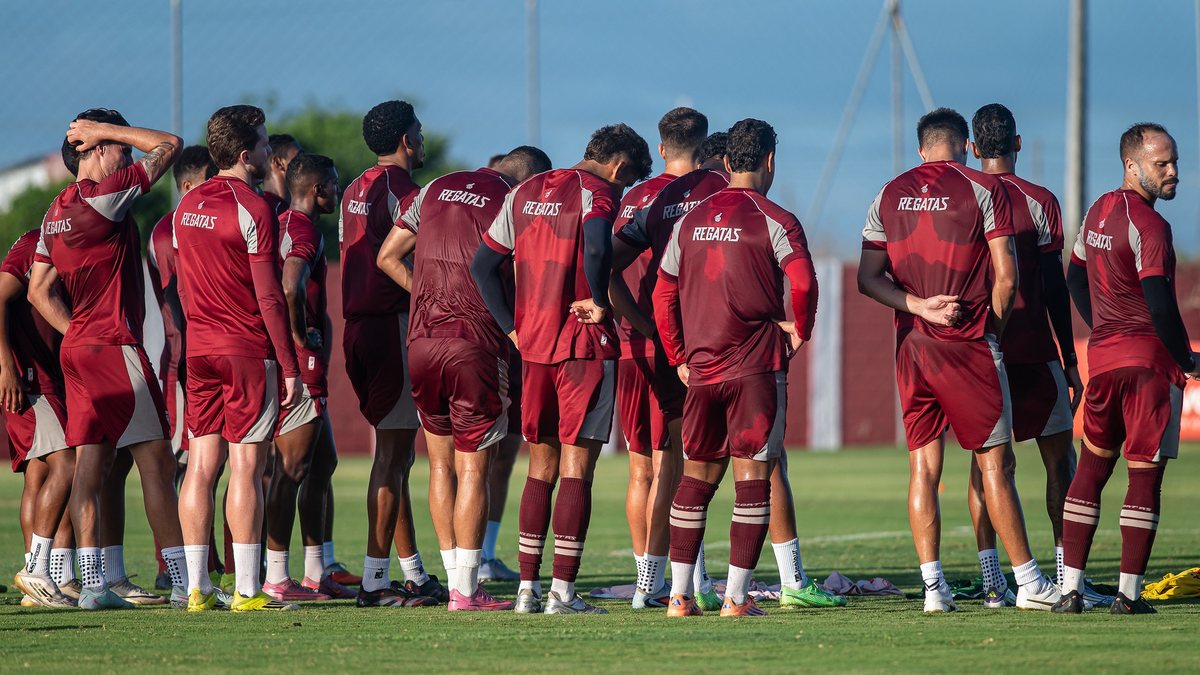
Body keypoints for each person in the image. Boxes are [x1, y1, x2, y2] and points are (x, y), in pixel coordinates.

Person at [857, 107, 1060, 613]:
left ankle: (933, 590)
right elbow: (1007, 279)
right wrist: (990, 331)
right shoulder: (984, 190)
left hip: (911, 346)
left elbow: (868, 279)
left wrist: (919, 306)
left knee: (923, 468)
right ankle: (1029, 581)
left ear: (922, 149)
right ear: (965, 145)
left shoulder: (887, 193)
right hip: (968, 345)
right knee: (998, 463)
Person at [472, 123, 652, 615]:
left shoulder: (527, 189)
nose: (623, 190)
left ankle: (527, 592)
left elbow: (482, 266)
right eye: (628, 181)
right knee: (577, 472)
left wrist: (512, 328)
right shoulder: (597, 191)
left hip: (534, 351)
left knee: (539, 468)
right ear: (618, 167)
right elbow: (598, 246)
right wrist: (599, 301)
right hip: (583, 349)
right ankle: (563, 594)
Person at [23, 109, 187, 610]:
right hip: (115, 348)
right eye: (117, 147)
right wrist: (107, 130)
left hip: (79, 351)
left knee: (90, 469)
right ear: (95, 150)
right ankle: (186, 584)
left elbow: (38, 291)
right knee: (157, 463)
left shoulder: (56, 209)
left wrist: (78, 332)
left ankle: (93, 587)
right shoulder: (104, 198)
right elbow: (171, 144)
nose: (127, 153)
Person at [654, 119, 817, 618]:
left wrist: (678, 354)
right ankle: (736, 599)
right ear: (770, 160)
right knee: (753, 478)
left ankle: (680, 597)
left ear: (725, 164)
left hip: (700, 368)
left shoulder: (690, 221)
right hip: (755, 369)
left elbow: (663, 294)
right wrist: (799, 330)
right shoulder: (777, 218)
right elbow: (805, 284)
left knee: (695, 479)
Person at [379, 145, 552, 611]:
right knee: (474, 466)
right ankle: (466, 590)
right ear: (527, 180)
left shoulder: (432, 188)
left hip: (421, 341)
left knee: (438, 466)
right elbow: (523, 270)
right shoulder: (513, 201)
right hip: (474, 345)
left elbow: (387, 257)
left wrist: (430, 298)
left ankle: (458, 580)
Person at [1055, 123, 1192, 615]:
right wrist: (1187, 359)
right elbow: (1159, 306)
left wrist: (1104, 328)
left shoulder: (1096, 211)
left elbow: (1072, 277)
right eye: (1163, 164)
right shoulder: (1151, 227)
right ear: (1132, 165)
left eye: (1175, 161)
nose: (1174, 171)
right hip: (1148, 368)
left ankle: (1069, 591)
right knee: (1143, 477)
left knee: (1090, 468)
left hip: (1105, 362)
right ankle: (1127, 596)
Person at [173, 104, 301, 612]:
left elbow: (185, 287)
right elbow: (271, 297)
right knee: (248, 467)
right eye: (268, 147)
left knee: (201, 467)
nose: (273, 155)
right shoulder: (254, 207)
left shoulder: (185, 207)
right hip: (245, 351)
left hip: (200, 351)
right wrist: (290, 367)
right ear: (246, 155)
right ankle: (248, 591)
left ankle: (197, 589)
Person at [966, 104, 1083, 606]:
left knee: (985, 465)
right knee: (1060, 462)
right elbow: (1055, 287)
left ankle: (994, 579)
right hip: (1037, 351)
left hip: (979, 350)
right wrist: (1071, 359)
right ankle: (1066, 575)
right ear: (1017, 143)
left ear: (972, 147)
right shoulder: (1040, 201)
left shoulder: (960, 196)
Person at [340, 100, 443, 608]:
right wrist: (431, 300)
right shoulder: (403, 189)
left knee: (395, 456)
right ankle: (374, 584)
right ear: (406, 139)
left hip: (358, 328)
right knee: (393, 456)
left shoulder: (354, 186)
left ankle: (412, 573)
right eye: (419, 133)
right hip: (389, 325)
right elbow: (395, 261)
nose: (423, 142)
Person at [604, 107, 706, 609]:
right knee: (681, 464)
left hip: (633, 347)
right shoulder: (712, 193)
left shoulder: (637, 198)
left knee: (640, 468)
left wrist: (638, 324)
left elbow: (606, 270)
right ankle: (669, 581)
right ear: (705, 148)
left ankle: (649, 579)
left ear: (662, 149)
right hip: (686, 346)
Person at [263, 153, 351, 601]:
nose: (337, 191)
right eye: (333, 184)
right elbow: (290, 285)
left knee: (322, 462)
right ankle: (277, 579)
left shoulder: (279, 223)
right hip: (300, 367)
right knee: (291, 469)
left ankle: (317, 572)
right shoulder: (301, 229)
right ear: (318, 189)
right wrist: (300, 333)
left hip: (299, 367)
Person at [2, 229, 76, 608]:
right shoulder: (37, 241)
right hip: (27, 381)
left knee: (39, 472)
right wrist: (6, 368)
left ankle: (52, 580)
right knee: (68, 463)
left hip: (53, 381)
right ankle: (38, 572)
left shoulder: (86, 242)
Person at [262, 134, 302, 215]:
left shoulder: (283, 208)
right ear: (278, 163)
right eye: (298, 158)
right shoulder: (272, 211)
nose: (303, 163)